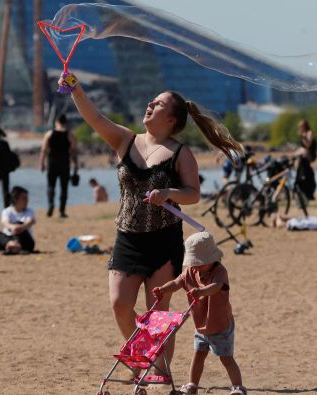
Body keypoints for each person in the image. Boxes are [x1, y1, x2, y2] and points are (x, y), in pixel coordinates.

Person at [61, 70, 243, 383]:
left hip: (163, 241)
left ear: (171, 119)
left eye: (157, 104)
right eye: (151, 102)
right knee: (120, 304)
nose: (149, 105)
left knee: (158, 313)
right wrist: (75, 87)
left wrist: (169, 193)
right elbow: (95, 118)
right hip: (127, 238)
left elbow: (193, 194)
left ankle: (159, 370)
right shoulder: (125, 139)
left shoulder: (180, 153)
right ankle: (143, 356)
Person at [152, 232, 246, 395]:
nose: (196, 266)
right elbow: (176, 282)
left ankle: (238, 386)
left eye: (200, 263)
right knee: (198, 356)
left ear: (212, 260)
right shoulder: (190, 271)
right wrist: (163, 289)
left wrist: (201, 291)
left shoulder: (219, 272)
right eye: (194, 263)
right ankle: (192, 385)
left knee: (226, 358)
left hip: (220, 325)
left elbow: (216, 287)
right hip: (201, 325)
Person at [39, 114, 79, 218]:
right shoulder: (69, 134)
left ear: (56, 121)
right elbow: (73, 151)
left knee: (51, 185)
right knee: (64, 187)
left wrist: (42, 163)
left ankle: (51, 205)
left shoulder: (49, 133)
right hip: (64, 162)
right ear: (65, 122)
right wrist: (75, 164)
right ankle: (62, 211)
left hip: (52, 162)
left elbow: (43, 150)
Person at [0, 186, 36, 253]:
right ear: (15, 199)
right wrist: (13, 227)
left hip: (25, 241)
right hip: (10, 237)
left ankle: (14, 246)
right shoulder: (7, 211)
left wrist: (21, 228)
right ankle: (12, 245)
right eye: (24, 198)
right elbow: (6, 223)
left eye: (27, 198)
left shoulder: (29, 211)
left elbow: (29, 221)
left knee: (19, 223)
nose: (27, 201)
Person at [293, 119, 317, 200]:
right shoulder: (304, 134)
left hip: (309, 155)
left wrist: (304, 137)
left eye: (301, 127)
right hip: (304, 156)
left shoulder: (309, 133)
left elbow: (308, 145)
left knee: (304, 173)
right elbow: (302, 147)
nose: (300, 128)